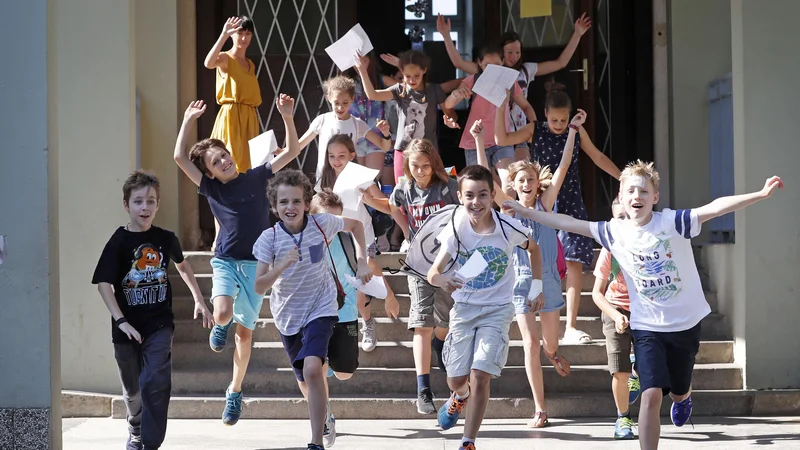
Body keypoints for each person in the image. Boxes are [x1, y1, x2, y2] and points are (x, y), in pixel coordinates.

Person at [503, 161, 784, 450]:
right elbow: (568, 223)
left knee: (677, 389)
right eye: (630, 191)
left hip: (685, 322)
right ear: (622, 198)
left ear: (655, 197)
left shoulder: (673, 222)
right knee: (650, 394)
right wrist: (526, 211)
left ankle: (684, 396)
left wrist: (759, 194)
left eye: (643, 191)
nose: (637, 196)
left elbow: (715, 207)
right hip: (647, 325)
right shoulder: (614, 231)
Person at [172, 94, 301, 425]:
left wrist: (287, 116)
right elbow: (179, 158)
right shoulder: (213, 190)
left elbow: (292, 152)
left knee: (245, 336)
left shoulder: (257, 177)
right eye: (216, 162)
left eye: (224, 155)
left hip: (257, 267)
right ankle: (219, 326)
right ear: (210, 174)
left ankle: (234, 390)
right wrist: (188, 120)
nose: (224, 161)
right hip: (226, 261)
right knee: (224, 312)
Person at [473, 98, 585, 427]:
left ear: (537, 183)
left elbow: (563, 166)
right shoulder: (507, 207)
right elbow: (486, 181)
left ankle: (554, 354)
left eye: (530, 180)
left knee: (549, 344)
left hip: (549, 281)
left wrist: (573, 132)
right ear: (514, 185)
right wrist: (480, 141)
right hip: (520, 283)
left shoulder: (546, 204)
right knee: (530, 344)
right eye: (520, 181)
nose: (525, 185)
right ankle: (540, 408)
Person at [92, 171, 214, 450]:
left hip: (159, 324)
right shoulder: (119, 240)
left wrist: (198, 298)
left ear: (158, 205)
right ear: (127, 205)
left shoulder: (165, 238)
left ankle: (148, 442)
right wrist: (121, 321)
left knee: (155, 381)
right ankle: (135, 425)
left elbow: (182, 265)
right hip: (126, 328)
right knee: (133, 390)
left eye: (150, 201)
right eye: (138, 202)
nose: (144, 207)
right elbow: (103, 283)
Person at [252, 170, 372, 450]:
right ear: (274, 206)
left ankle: (315, 442)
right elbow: (259, 286)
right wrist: (280, 265)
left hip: (322, 307)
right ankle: (326, 416)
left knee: (313, 368)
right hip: (288, 316)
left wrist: (363, 260)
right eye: (283, 202)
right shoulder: (268, 239)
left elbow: (355, 226)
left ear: (307, 203)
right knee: (306, 377)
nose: (290, 207)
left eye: (296, 201)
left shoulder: (322, 224)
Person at [429, 165, 544, 450]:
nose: (476, 202)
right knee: (456, 379)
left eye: (483, 195)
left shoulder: (508, 227)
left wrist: (537, 286)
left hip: (498, 309)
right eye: (469, 195)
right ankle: (459, 396)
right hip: (464, 309)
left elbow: (534, 249)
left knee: (481, 374)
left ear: (493, 195)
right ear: (460, 196)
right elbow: (433, 272)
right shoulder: (456, 227)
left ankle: (468, 441)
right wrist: (443, 279)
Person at [531, 82, 621, 345]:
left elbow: (597, 157)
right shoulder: (535, 131)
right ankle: (542, 320)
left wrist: (623, 177)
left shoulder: (577, 133)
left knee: (574, 261)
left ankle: (570, 326)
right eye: (554, 119)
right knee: (543, 259)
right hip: (543, 202)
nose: (559, 124)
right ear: (545, 114)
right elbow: (502, 140)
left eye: (564, 119)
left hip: (571, 199)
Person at [436, 13, 592, 162]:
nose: (514, 56)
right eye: (509, 52)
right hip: (496, 134)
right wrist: (446, 35)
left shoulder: (526, 70)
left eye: (517, 52)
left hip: (520, 130)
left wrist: (578, 34)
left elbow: (560, 63)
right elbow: (459, 63)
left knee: (521, 173)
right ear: (501, 54)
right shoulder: (486, 70)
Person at [388, 138, 459, 414]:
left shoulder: (448, 186)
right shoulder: (404, 187)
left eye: (425, 165)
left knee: (444, 322)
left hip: (446, 262)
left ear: (434, 164)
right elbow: (393, 206)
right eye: (414, 166)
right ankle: (424, 388)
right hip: (417, 264)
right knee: (421, 323)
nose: (420, 171)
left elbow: (463, 211)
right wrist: (407, 232)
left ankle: (440, 344)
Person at [318, 134, 401, 351]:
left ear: (352, 155)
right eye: (331, 156)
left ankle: (372, 316)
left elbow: (389, 207)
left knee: (365, 270)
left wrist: (371, 200)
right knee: (350, 286)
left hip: (362, 234)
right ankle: (364, 320)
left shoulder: (360, 176)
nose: (336, 161)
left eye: (341, 156)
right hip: (336, 238)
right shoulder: (323, 179)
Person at [355, 50, 461, 181]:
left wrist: (450, 121)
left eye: (416, 75)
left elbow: (451, 114)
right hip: (403, 151)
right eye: (407, 75)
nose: (412, 80)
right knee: (403, 192)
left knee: (429, 191)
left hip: (428, 151)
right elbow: (373, 95)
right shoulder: (399, 90)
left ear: (424, 70)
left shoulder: (434, 90)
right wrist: (362, 71)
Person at [309, 189, 363, 447]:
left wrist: (364, 265)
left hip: (346, 312)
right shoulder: (309, 243)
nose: (330, 227)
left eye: (335, 220)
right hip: (317, 315)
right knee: (315, 369)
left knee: (345, 372)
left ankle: (328, 367)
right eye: (324, 220)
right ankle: (326, 417)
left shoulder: (346, 239)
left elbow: (360, 268)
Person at [443, 45, 534, 194]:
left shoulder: (510, 83)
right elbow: (448, 105)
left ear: (503, 62)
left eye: (497, 65)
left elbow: (526, 106)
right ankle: (486, 216)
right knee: (480, 185)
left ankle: (507, 216)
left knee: (509, 180)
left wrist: (535, 127)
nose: (493, 70)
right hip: (474, 140)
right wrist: (456, 94)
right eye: (487, 66)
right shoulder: (472, 81)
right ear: (479, 63)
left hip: (502, 140)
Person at [591, 197, 640, 440]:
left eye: (627, 216)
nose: (624, 221)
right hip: (615, 308)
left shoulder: (651, 244)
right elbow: (596, 293)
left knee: (645, 366)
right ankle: (623, 418)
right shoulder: (610, 248)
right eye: (618, 217)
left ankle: (637, 374)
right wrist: (616, 315)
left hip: (646, 312)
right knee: (618, 371)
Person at [297, 75, 392, 185]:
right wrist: (284, 151)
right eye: (336, 103)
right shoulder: (322, 120)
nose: (340, 108)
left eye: (345, 103)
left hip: (348, 181)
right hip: (325, 179)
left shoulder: (357, 124)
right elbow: (299, 145)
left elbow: (384, 146)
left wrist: (386, 134)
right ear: (328, 98)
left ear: (352, 99)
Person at [203, 15, 262, 173]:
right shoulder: (225, 58)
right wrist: (224, 35)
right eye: (240, 33)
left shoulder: (250, 64)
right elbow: (208, 63)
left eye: (248, 34)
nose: (244, 37)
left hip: (249, 119)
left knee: (249, 166)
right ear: (233, 34)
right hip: (231, 118)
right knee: (230, 161)